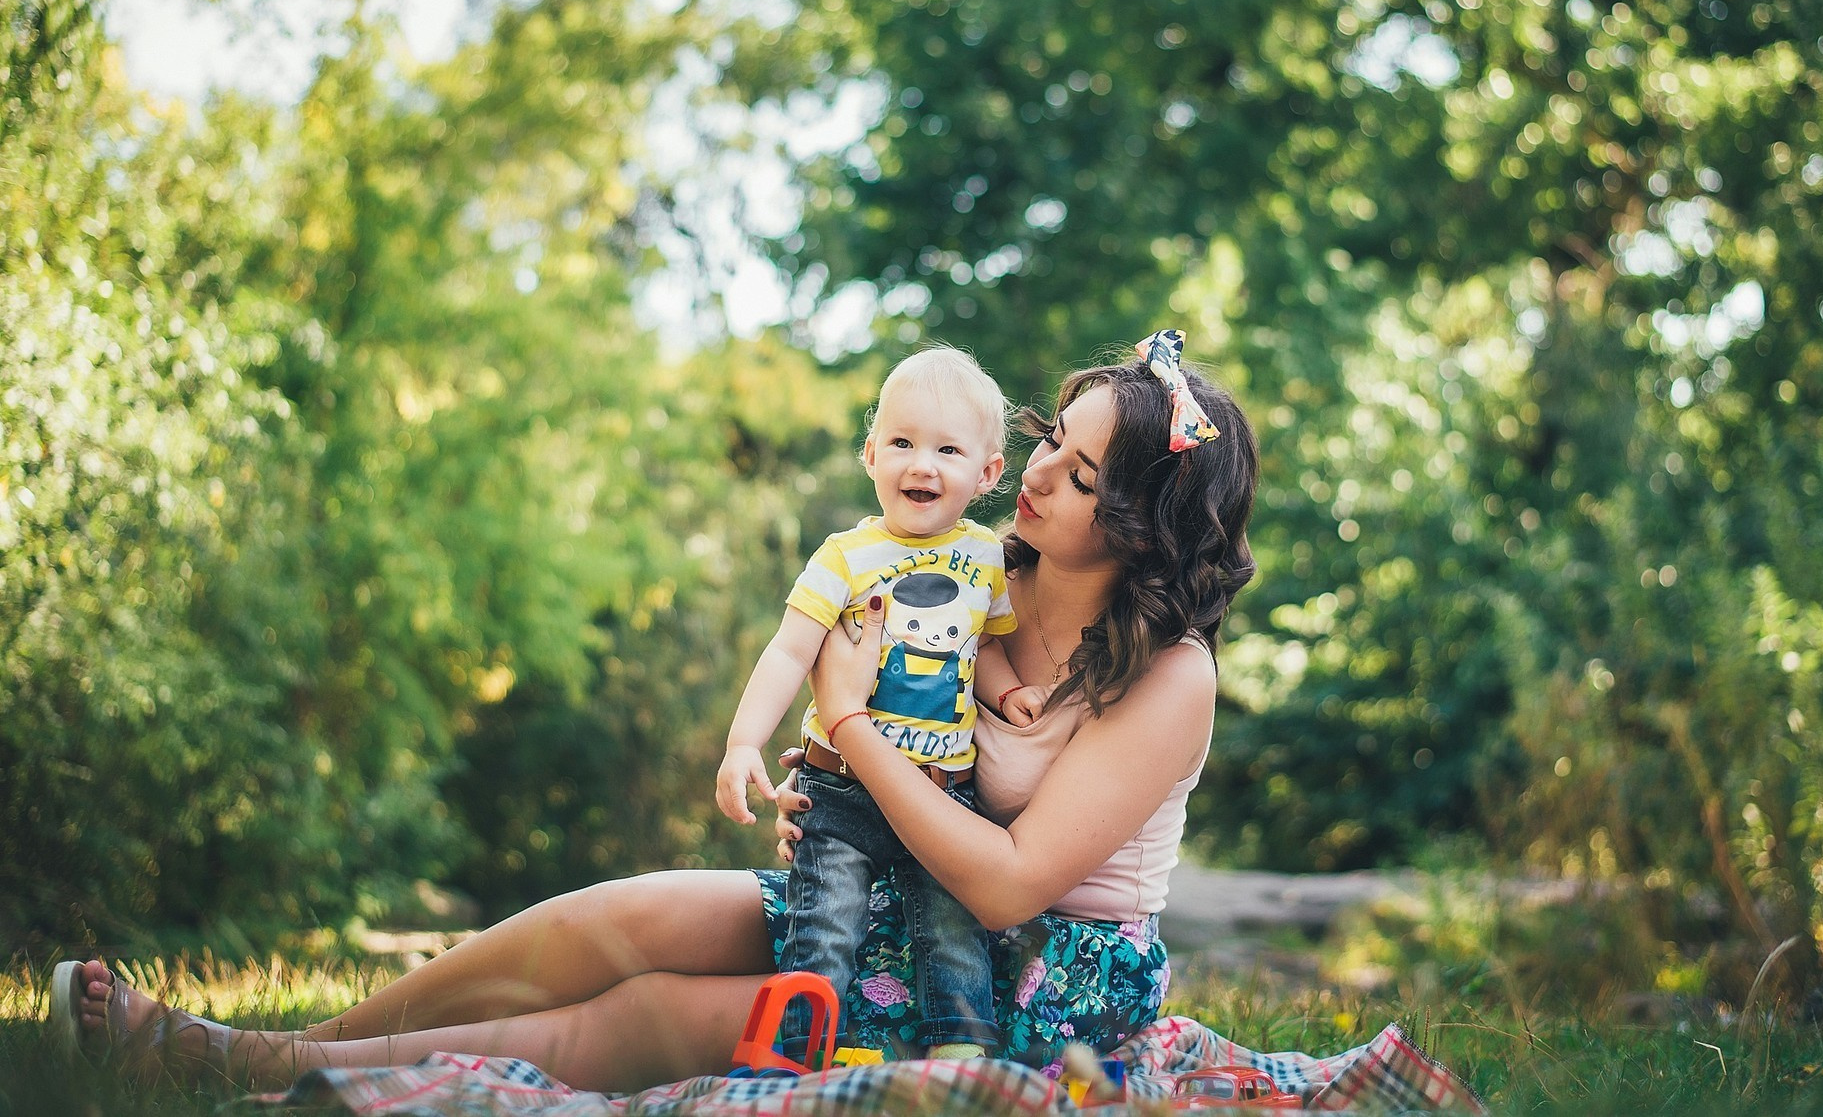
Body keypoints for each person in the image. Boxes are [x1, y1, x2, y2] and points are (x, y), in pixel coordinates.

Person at [48, 330, 1258, 1094]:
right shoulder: (987, 575)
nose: (1037, 474)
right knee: (623, 914)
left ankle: (252, 1069)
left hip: (1028, 982)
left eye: (1081, 474)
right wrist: (829, 790)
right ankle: (277, 1045)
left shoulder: (1169, 680)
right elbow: (884, 711)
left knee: (656, 1012)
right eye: (1050, 442)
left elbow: (1006, 883)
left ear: (1144, 524)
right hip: (897, 885)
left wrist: (852, 732)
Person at [714, 346, 1032, 1062]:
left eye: (948, 448)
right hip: (844, 791)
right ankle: (796, 1057)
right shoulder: (845, 556)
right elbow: (790, 652)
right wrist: (742, 743)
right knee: (823, 928)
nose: (922, 463)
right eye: (902, 442)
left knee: (953, 932)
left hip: (943, 793)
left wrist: (1009, 692)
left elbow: (984, 651)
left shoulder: (986, 557)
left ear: (986, 473)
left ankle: (963, 1061)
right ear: (870, 454)